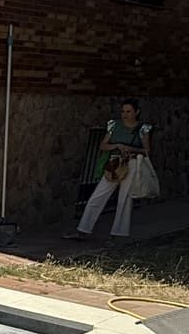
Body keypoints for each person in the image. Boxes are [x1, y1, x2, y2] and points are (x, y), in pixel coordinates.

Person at [65, 99, 153, 244]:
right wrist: (117, 145)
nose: (125, 114)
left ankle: (118, 235)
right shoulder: (114, 126)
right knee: (98, 195)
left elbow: (147, 150)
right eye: (123, 111)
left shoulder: (142, 129)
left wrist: (131, 149)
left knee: (124, 199)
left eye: (129, 111)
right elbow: (103, 145)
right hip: (114, 164)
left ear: (136, 112)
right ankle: (83, 230)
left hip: (131, 163)